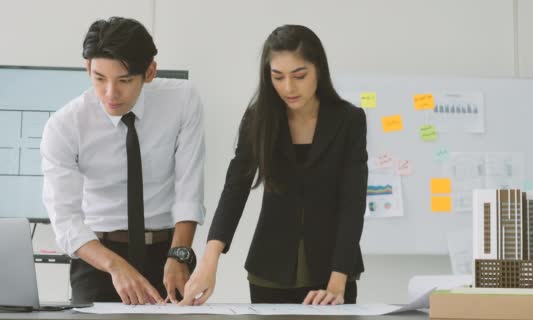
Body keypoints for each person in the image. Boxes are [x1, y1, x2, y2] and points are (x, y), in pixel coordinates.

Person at [180, 24, 367, 305]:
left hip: (333, 271)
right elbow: (235, 189)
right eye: (277, 77)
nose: (288, 88)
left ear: (319, 70)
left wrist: (337, 282)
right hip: (270, 268)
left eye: (299, 75)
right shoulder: (259, 119)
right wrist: (209, 261)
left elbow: (353, 203)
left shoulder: (348, 120)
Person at [40, 17, 205, 305]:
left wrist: (179, 254)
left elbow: (189, 189)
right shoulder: (64, 125)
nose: (110, 94)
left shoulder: (182, 101)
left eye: (125, 80)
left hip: (168, 254)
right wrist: (116, 266)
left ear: (150, 72)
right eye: (99, 78)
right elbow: (65, 219)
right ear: (88, 68)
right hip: (98, 258)